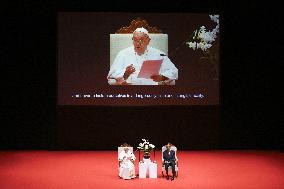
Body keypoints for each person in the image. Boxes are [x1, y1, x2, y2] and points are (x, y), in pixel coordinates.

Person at [108, 27, 178, 85]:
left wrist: (162, 77)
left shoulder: (159, 54)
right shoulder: (123, 53)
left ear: (148, 41)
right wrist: (125, 73)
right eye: (135, 40)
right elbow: (111, 75)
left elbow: (174, 71)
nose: (138, 43)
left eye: (141, 40)